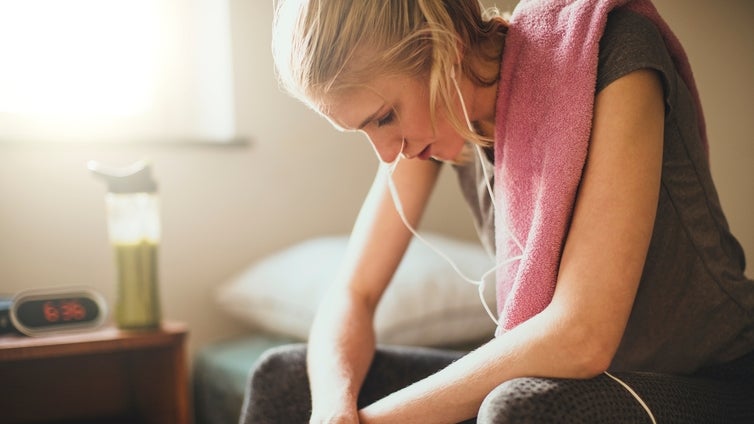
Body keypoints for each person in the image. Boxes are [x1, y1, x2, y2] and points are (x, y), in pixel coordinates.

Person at [240, 0, 754, 422]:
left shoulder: (611, 51)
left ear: (442, 47)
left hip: (711, 380)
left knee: (520, 410)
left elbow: (581, 337)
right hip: (581, 381)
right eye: (364, 129)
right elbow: (353, 293)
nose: (385, 151)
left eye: (384, 117)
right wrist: (333, 412)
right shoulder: (432, 121)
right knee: (285, 381)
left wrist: (375, 422)